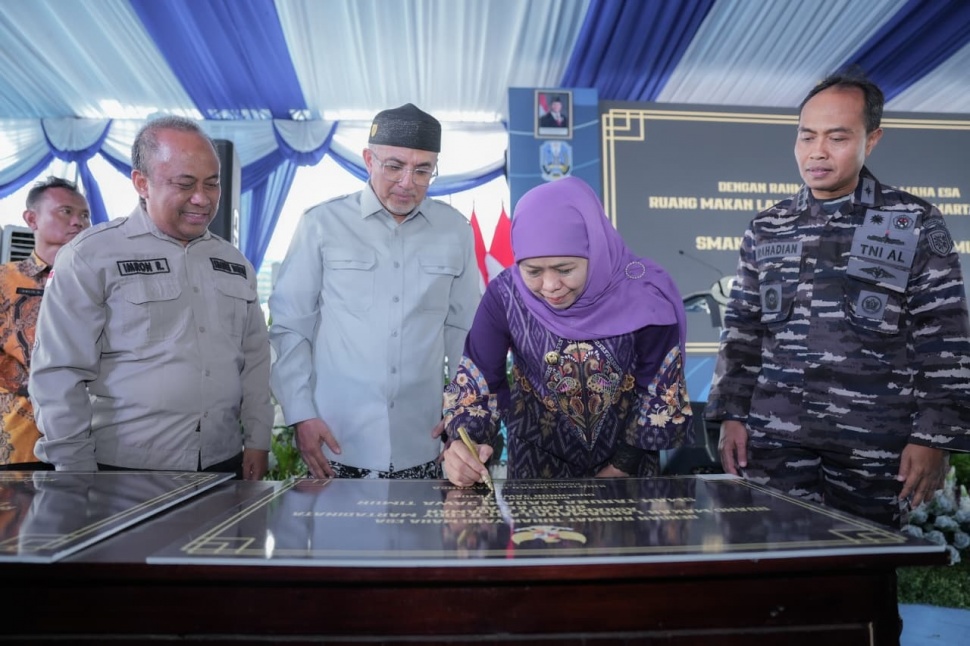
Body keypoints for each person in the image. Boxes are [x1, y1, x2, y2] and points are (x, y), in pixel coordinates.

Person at [705, 70, 970, 528]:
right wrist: (730, 414)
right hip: (776, 441)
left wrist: (934, 436)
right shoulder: (768, 226)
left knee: (863, 577)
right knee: (776, 575)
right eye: (806, 137)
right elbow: (744, 329)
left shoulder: (913, 221)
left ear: (873, 139)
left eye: (837, 137)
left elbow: (944, 336)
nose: (818, 152)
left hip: (873, 446)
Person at [29, 116, 272, 480]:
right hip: (122, 469)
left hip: (222, 463)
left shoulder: (234, 262)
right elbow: (59, 372)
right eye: (185, 183)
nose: (201, 198)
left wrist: (258, 439)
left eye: (212, 183)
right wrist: (74, 471)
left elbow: (254, 360)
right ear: (141, 182)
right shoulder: (91, 256)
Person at [269, 103, 480, 480]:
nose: (407, 182)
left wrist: (462, 414)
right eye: (394, 166)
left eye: (422, 170)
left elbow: (463, 333)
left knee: (424, 538)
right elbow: (291, 327)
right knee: (342, 540)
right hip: (336, 441)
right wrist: (300, 414)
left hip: (424, 442)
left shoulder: (455, 231)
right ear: (369, 159)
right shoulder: (321, 224)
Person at [441, 176, 692, 487]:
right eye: (532, 271)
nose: (550, 286)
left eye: (565, 269)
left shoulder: (644, 293)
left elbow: (657, 388)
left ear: (595, 250)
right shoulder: (506, 295)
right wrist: (466, 444)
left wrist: (621, 467)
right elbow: (479, 381)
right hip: (536, 473)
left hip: (629, 472)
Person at [0, 177, 90, 470]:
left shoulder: (98, 283)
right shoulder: (5, 280)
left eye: (84, 215)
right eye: (66, 211)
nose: (78, 222)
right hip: (19, 443)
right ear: (31, 218)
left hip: (91, 445)